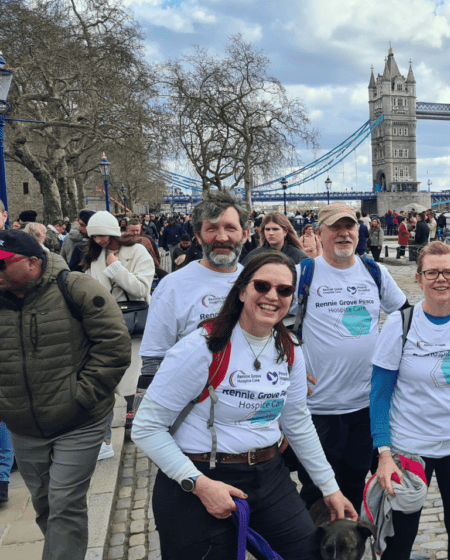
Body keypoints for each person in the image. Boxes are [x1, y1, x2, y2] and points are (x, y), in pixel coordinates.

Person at [132, 251, 356, 560]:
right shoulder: (202, 347)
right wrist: (200, 485)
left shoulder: (288, 348)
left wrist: (330, 488)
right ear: (241, 291)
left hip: (269, 475)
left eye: (284, 290)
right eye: (262, 286)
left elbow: (297, 421)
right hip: (200, 476)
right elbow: (145, 427)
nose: (272, 296)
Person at [0, 229, 131, 560]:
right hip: (23, 425)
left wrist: (81, 396)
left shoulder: (75, 287)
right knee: (46, 505)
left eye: (3, 264)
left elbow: (115, 345)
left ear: (33, 262)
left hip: (79, 420)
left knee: (64, 502)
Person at [370, 242, 450, 558]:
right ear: (419, 278)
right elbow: (380, 395)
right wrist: (384, 453)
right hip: (409, 448)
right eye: (432, 272)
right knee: (400, 539)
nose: (441, 279)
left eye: (448, 272)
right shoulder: (401, 323)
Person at [291, 203, 408, 514]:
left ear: (359, 232)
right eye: (334, 227)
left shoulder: (375, 272)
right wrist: (290, 367)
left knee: (355, 483)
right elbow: (270, 323)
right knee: (317, 490)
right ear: (319, 233)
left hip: (364, 405)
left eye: (349, 227)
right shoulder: (303, 273)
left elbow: (406, 317)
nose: (343, 233)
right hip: (318, 408)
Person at [136, 191, 250, 418]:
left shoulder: (260, 283)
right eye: (212, 229)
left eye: (230, 228)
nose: (222, 237)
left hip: (250, 417)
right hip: (193, 419)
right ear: (198, 236)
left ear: (245, 234)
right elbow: (153, 361)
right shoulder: (173, 286)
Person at [84, 210, 155, 459]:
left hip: (133, 327)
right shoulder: (95, 256)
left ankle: (143, 427)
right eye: (93, 237)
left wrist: (115, 268)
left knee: (133, 382)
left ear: (113, 231)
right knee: (103, 384)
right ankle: (105, 440)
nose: (99, 241)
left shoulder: (136, 252)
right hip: (103, 326)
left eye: (102, 235)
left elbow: (141, 288)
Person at [243, 212, 309, 265]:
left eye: (275, 229)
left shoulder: (299, 257)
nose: (270, 233)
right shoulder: (254, 256)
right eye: (267, 229)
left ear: (285, 231)